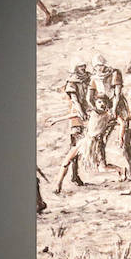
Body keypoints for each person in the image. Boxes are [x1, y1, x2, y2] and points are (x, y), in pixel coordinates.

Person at [88, 52, 131, 181]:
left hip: (118, 107)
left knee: (125, 140)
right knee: (100, 138)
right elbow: (89, 96)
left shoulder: (115, 73)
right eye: (97, 66)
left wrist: (114, 109)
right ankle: (105, 165)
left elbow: (117, 93)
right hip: (104, 107)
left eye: (101, 65)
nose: (99, 68)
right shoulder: (94, 78)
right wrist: (95, 108)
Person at [53, 95, 113, 194]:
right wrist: (56, 119)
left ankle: (120, 170)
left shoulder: (108, 116)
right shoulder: (91, 113)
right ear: (95, 103)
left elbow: (119, 121)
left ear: (107, 104)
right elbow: (73, 115)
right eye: (99, 102)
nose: (102, 104)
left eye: (104, 102)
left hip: (96, 144)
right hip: (85, 141)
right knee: (67, 160)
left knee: (103, 167)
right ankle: (58, 184)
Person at [60, 55, 91, 185]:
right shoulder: (72, 82)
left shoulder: (89, 77)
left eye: (84, 66)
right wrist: (81, 112)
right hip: (77, 115)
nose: (83, 68)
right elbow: (75, 100)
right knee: (76, 146)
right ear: (75, 68)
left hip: (89, 112)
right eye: (80, 66)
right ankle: (74, 174)